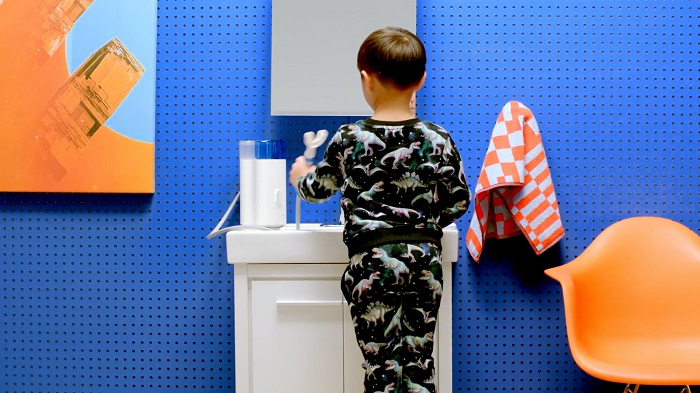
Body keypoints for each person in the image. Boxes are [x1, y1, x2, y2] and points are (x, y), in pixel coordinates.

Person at [289, 26, 470, 393]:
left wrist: (299, 175)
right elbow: (459, 200)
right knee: (419, 366)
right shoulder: (438, 138)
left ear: (365, 79)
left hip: (372, 263)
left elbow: (316, 190)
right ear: (421, 79)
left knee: (381, 369)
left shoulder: (349, 138)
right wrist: (424, 223)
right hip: (424, 264)